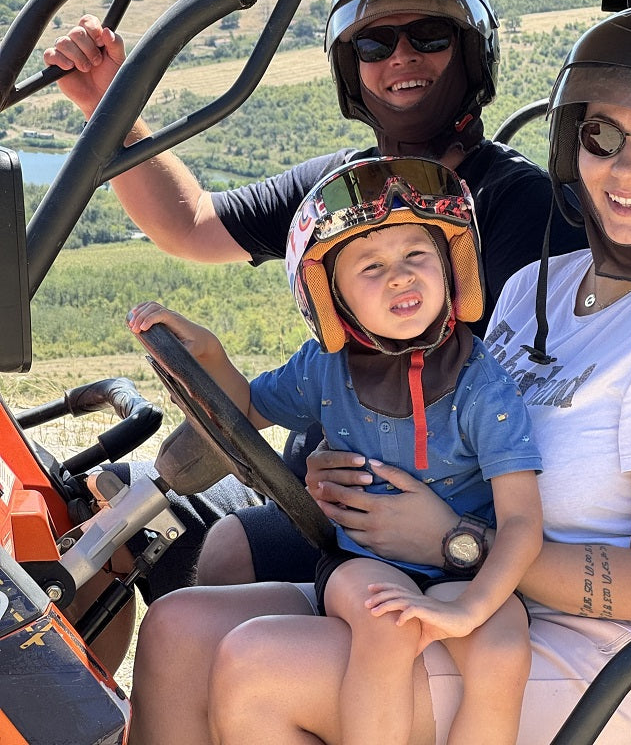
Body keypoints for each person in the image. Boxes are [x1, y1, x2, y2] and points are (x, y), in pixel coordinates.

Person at [129, 3, 631, 745]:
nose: (625, 168)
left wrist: (454, 541)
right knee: (179, 628)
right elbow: (457, 421)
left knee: (261, 663)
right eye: (602, 136)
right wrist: (360, 469)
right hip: (479, 601)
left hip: (612, 660)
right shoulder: (540, 288)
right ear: (571, 143)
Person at [43, 0, 585, 597]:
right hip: (310, 486)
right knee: (94, 520)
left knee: (219, 561)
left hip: (400, 518)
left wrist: (403, 495)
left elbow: (515, 392)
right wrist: (110, 107)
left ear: (470, 55)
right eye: (376, 44)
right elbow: (188, 223)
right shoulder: (342, 191)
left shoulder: (513, 203)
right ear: (352, 70)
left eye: (430, 36)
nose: (402, 57)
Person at [127, 156, 543, 745]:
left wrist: (473, 609)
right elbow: (246, 409)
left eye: (417, 256)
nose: (400, 277)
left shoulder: (483, 386)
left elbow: (523, 520)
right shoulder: (326, 371)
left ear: (453, 268)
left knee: (502, 649)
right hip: (366, 564)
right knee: (387, 624)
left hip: (459, 566)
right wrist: (213, 358)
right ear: (333, 297)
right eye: (371, 266)